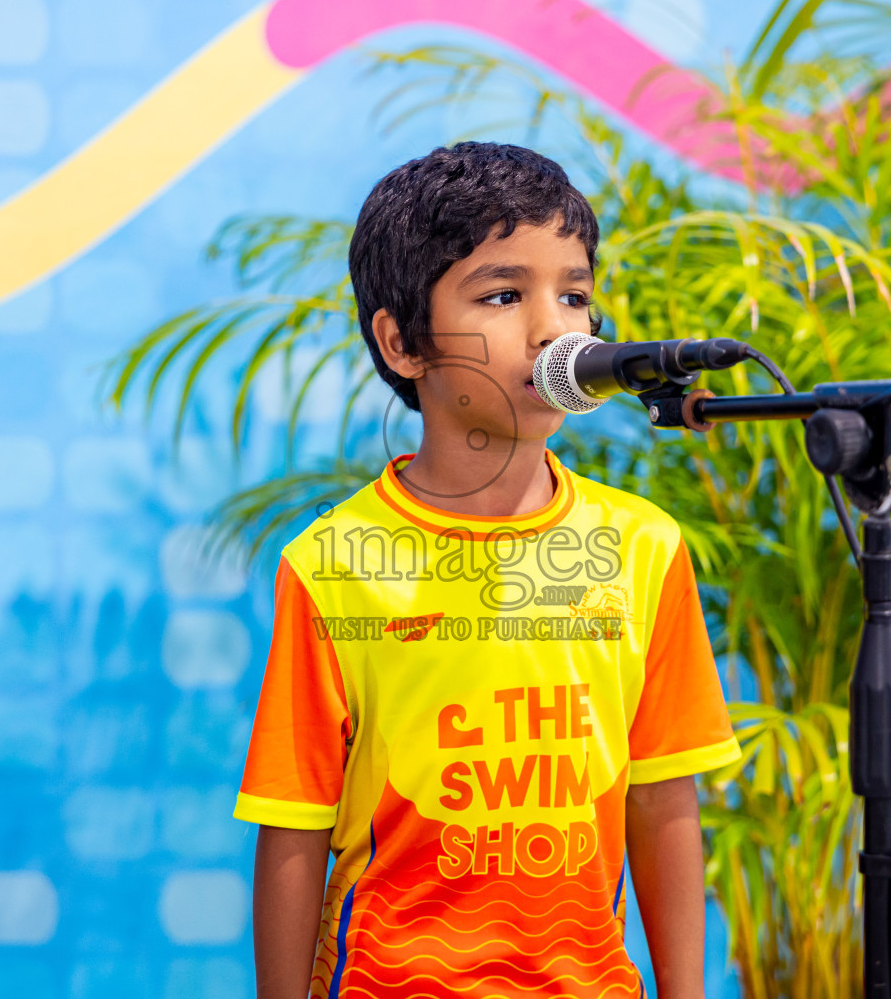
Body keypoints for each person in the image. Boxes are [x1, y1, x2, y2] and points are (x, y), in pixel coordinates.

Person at [232, 141, 740, 998]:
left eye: (574, 296)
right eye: (504, 295)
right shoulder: (333, 564)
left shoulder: (644, 548)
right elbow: (294, 828)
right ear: (402, 343)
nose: (553, 329)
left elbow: (660, 799)